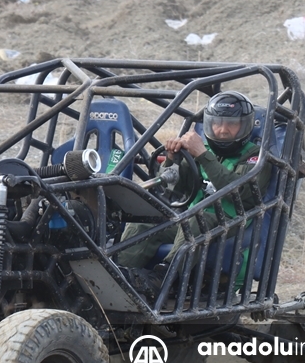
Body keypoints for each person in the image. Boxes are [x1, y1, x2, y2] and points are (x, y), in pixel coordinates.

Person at [115, 91, 272, 296]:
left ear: (245, 126)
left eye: (231, 124)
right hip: (190, 219)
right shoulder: (201, 152)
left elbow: (237, 190)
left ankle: (163, 278)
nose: (223, 130)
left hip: (233, 223)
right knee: (144, 224)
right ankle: (118, 275)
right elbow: (175, 189)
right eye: (217, 123)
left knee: (198, 221)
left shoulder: (255, 159)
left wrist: (204, 155)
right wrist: (172, 159)